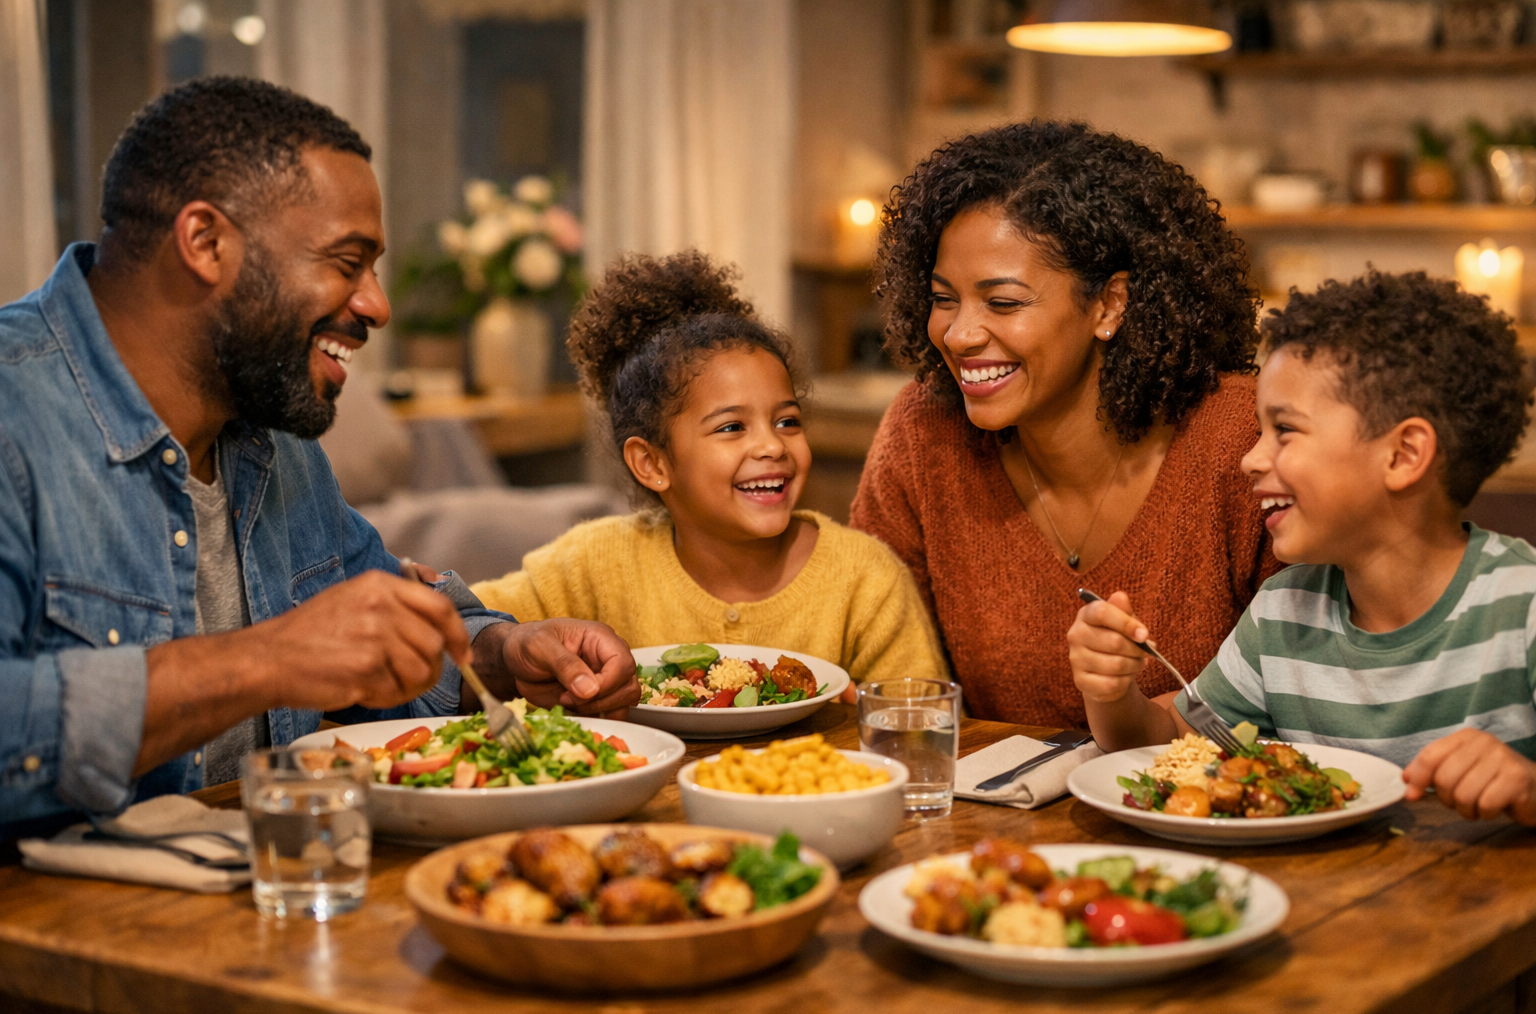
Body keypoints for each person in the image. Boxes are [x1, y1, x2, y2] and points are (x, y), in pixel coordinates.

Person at [0, 77, 636, 836]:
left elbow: (384, 642)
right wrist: (263, 660)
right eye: (346, 261)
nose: (377, 306)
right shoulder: (15, 417)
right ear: (205, 243)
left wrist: (503, 654)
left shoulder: (274, 441)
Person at [850, 120, 1282, 728]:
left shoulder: (1244, 438)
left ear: (1109, 304)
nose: (960, 334)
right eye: (944, 299)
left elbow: (1302, 690)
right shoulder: (924, 434)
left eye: (1003, 302)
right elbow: (885, 673)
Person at [1068, 270, 1536, 824]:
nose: (1251, 459)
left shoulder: (1523, 605)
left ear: (1404, 455)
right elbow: (1169, 743)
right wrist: (1110, 691)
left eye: (1284, 430)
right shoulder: (1284, 611)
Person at [471, 252, 946, 695]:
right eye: (732, 427)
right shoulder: (592, 566)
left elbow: (921, 723)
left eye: (787, 421)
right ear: (652, 463)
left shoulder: (864, 579)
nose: (772, 445)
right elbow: (462, 636)